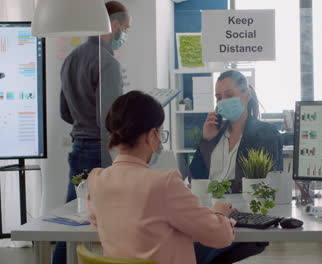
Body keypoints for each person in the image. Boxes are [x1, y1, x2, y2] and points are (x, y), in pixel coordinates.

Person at [86, 90, 236, 264]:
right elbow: (221, 237)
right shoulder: (165, 183)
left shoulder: (96, 179)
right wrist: (219, 213)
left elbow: (102, 220)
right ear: (151, 136)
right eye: (160, 132)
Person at [54, 2, 130, 263]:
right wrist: (118, 163)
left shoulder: (72, 58)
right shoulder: (107, 62)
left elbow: (64, 112)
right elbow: (108, 121)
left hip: (78, 149)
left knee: (71, 224)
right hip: (99, 152)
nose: (125, 35)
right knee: (108, 223)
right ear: (116, 25)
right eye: (126, 28)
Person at [189, 70, 283, 264]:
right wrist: (206, 140)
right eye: (218, 97)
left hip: (242, 218)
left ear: (246, 95)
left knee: (193, 252)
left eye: (229, 95)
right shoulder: (214, 133)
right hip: (210, 215)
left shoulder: (265, 134)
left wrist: (217, 191)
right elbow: (195, 178)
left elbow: (262, 185)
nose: (222, 101)